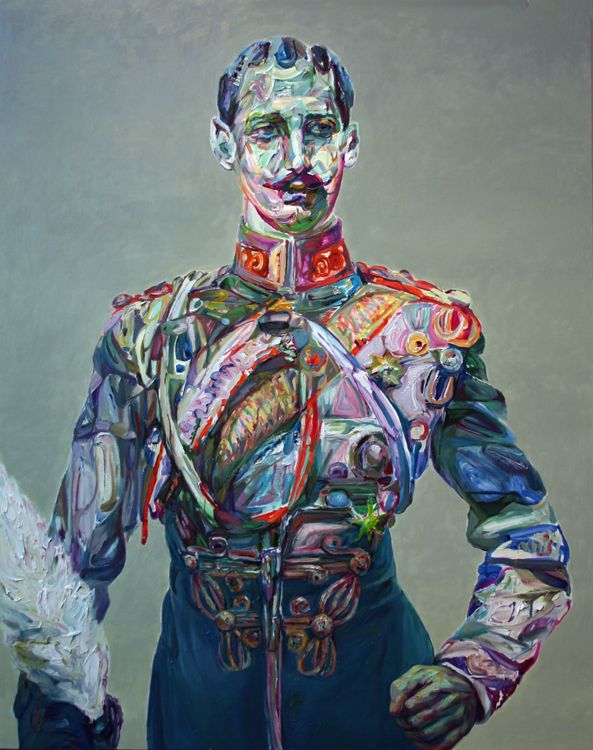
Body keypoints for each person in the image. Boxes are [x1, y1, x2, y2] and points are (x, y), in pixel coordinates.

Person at [11, 37, 571, 750]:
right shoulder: (148, 337)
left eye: (319, 129)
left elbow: (526, 534)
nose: (296, 158)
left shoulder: (421, 333)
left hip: (372, 715)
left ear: (350, 143)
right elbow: (69, 573)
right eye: (267, 130)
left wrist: (472, 671)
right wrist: (59, 722)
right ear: (224, 145)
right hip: (200, 721)